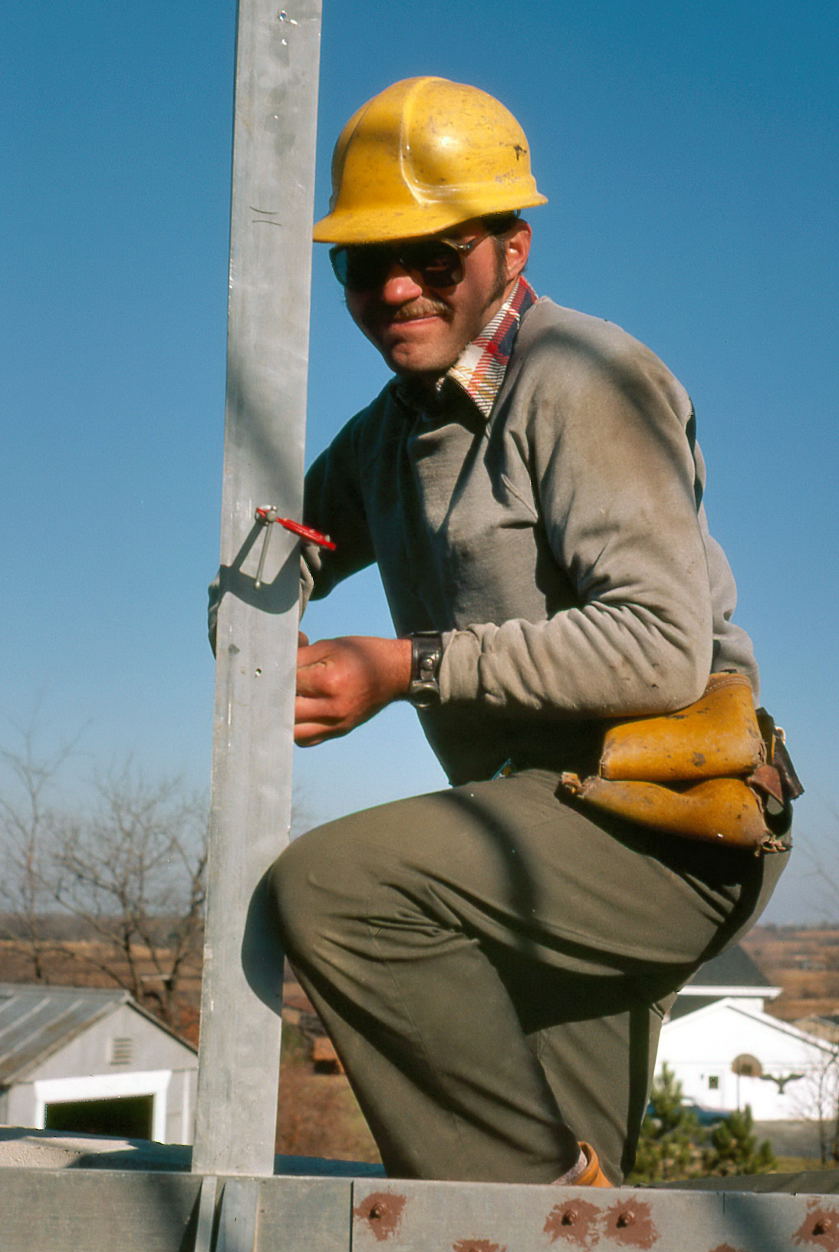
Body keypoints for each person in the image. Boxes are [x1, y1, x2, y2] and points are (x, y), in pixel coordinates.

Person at [270, 76, 789, 1186]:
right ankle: (561, 1228)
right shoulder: (386, 435)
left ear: (512, 245)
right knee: (576, 1209)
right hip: (532, 833)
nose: (395, 288)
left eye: (435, 255)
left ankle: (532, 1219)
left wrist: (402, 667)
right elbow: (278, 559)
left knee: (335, 888)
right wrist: (249, 605)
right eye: (362, 262)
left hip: (660, 823)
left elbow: (657, 645)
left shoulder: (582, 378)